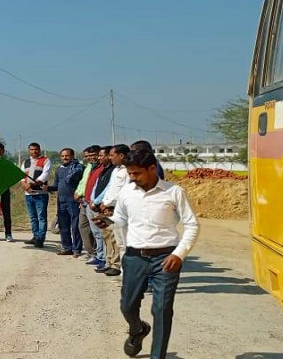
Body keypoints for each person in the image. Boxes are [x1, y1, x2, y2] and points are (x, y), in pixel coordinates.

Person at [93, 149, 199, 359]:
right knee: (127, 306)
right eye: (130, 174)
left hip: (166, 259)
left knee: (161, 310)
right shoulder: (127, 192)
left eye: (136, 174)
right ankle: (138, 329)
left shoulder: (173, 192)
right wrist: (107, 222)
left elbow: (192, 224)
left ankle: (157, 356)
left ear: (152, 168)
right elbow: (121, 219)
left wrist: (179, 254)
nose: (132, 178)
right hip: (134, 258)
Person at [96, 144, 131, 277]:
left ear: (121, 155)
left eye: (112, 155)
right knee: (119, 242)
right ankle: (124, 272)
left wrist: (110, 204)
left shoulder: (128, 170)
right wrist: (104, 203)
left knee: (126, 243)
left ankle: (128, 272)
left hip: (120, 209)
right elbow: (111, 189)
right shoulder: (116, 170)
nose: (110, 158)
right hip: (110, 209)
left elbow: (124, 191)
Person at [46, 148, 85, 256]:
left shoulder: (78, 168)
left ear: (72, 156)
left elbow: (83, 184)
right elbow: (56, 186)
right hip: (61, 201)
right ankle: (67, 247)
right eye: (62, 156)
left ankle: (77, 249)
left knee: (75, 226)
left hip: (74, 201)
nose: (65, 158)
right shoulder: (59, 170)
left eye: (67, 156)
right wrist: (47, 188)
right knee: (63, 226)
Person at [74, 145, 102, 261]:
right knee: (83, 227)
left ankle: (99, 255)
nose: (91, 158)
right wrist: (78, 193)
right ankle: (91, 253)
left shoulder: (101, 168)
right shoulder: (89, 167)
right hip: (83, 201)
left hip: (93, 203)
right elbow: (83, 182)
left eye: (93, 155)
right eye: (88, 156)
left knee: (97, 230)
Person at [21, 142, 52, 248]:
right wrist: (25, 185)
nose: (34, 151)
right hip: (28, 194)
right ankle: (35, 236)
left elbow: (45, 175)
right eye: (32, 149)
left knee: (41, 217)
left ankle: (40, 238)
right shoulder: (25, 162)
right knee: (33, 217)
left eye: (36, 149)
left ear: (39, 150)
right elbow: (21, 176)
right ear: (29, 150)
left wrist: (31, 184)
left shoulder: (45, 161)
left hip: (40, 194)